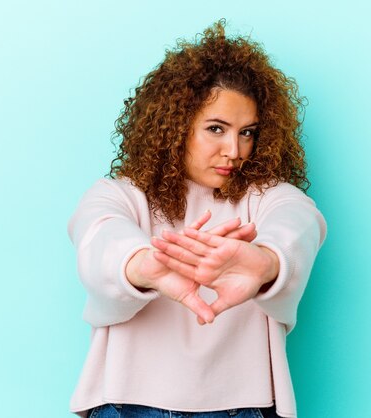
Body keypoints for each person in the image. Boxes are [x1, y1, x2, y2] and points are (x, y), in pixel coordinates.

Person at [67, 19, 327, 418]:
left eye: (247, 132)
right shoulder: (121, 194)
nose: (234, 150)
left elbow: (299, 220)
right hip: (129, 406)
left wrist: (267, 262)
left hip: (244, 409)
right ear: (175, 126)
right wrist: (143, 265)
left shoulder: (263, 198)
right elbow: (99, 235)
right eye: (216, 128)